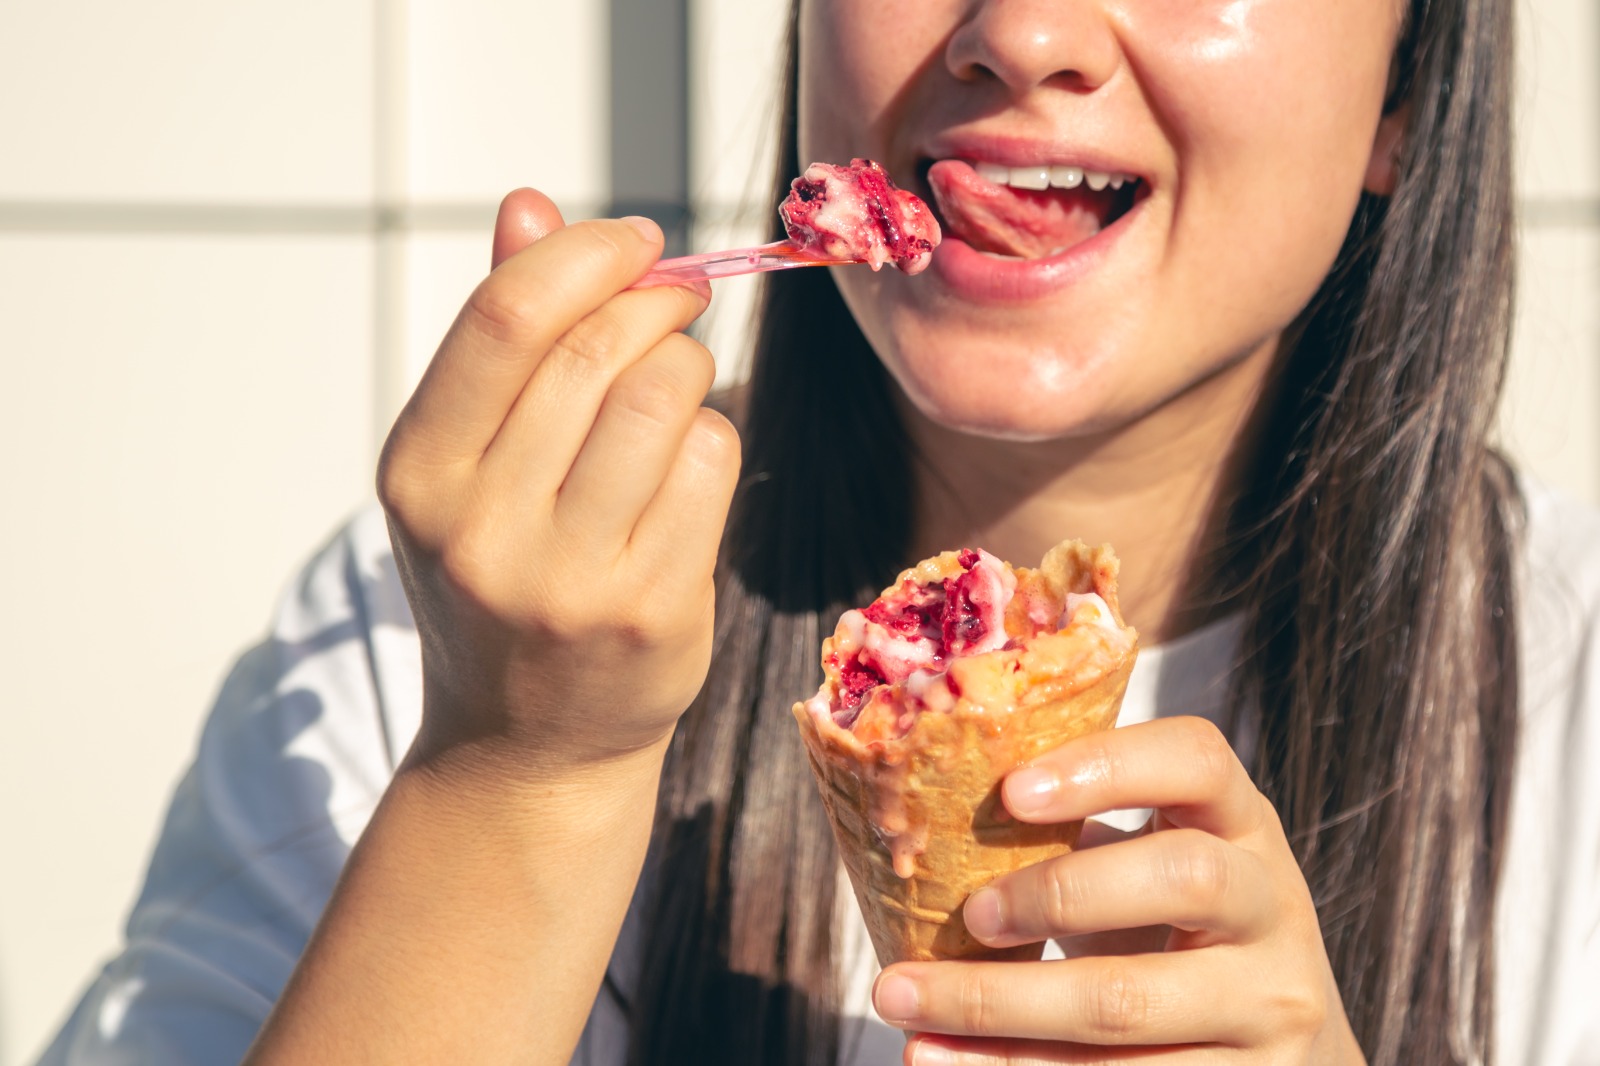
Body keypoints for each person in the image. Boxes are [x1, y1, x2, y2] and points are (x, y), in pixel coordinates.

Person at [37, 0, 1600, 1063]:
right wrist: (514, 780)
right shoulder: (436, 654)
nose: (1024, 33)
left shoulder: (1570, 700)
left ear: (1407, 88)